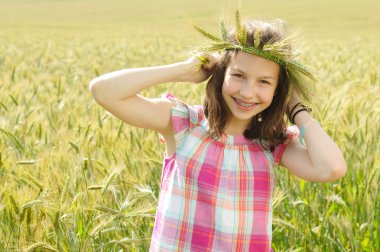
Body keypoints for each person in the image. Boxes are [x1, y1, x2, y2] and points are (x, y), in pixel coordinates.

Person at [89, 11, 346, 252]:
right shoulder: (183, 124)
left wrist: (297, 109)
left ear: (278, 91)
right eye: (238, 75)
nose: (247, 92)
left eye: (264, 82)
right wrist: (183, 71)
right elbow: (103, 90)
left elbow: (331, 168)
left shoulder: (272, 143)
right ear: (221, 73)